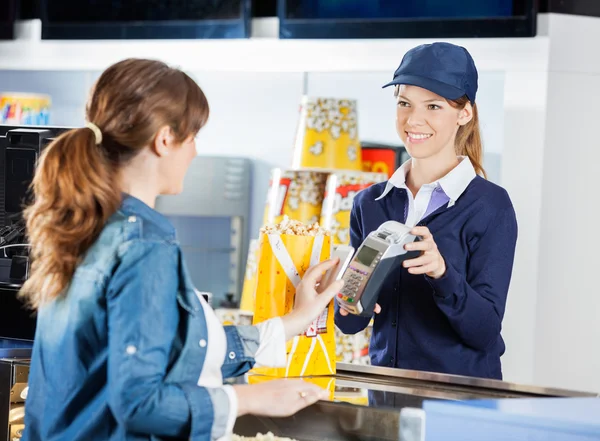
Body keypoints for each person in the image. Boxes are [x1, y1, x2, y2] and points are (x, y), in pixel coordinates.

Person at [20, 58, 343, 441]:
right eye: (192, 136)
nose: (194, 151)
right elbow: (140, 403)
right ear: (164, 139)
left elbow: (182, 351)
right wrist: (250, 398)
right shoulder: (144, 249)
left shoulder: (86, 228)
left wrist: (297, 319)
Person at [335, 42, 518, 380]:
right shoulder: (370, 203)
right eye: (404, 103)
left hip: (461, 403)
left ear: (465, 113)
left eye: (433, 106)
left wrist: (441, 273)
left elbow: (485, 331)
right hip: (388, 394)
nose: (413, 119)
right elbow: (350, 323)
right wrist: (344, 296)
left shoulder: (490, 205)